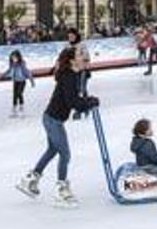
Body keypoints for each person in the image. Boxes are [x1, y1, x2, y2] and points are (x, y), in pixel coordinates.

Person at [17, 48, 99, 207]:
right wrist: (88, 104)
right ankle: (61, 189)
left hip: (53, 118)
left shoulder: (72, 75)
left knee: (52, 150)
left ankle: (30, 180)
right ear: (71, 60)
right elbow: (72, 102)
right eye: (80, 55)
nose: (84, 58)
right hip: (53, 120)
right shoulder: (68, 76)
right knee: (65, 154)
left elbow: (75, 98)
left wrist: (89, 100)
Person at [130, 118, 157, 197]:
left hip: (142, 164)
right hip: (148, 167)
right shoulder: (147, 143)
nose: (152, 130)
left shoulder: (137, 141)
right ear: (144, 131)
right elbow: (154, 158)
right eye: (150, 129)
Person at [67, 29, 92, 120]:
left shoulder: (82, 45)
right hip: (72, 71)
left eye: (72, 36)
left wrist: (79, 60)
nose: (70, 38)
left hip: (82, 70)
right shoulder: (67, 46)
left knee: (82, 89)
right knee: (75, 90)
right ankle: (79, 108)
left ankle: (85, 108)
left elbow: (87, 57)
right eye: (69, 36)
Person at [3, 50, 35, 117]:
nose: (14, 59)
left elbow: (27, 72)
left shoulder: (22, 64)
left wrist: (32, 81)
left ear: (18, 57)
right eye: (12, 58)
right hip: (15, 81)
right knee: (15, 95)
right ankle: (14, 108)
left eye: (15, 57)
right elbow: (8, 71)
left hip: (22, 81)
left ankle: (21, 107)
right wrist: (1, 75)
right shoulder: (12, 65)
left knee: (19, 93)